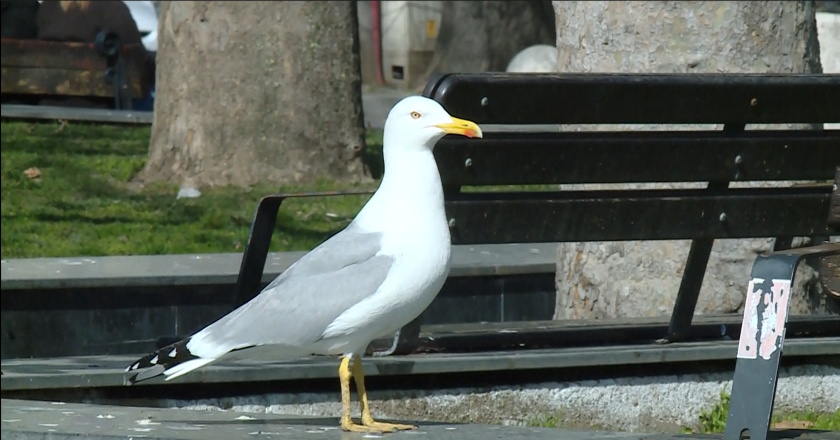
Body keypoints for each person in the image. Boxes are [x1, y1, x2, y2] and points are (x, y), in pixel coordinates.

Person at [36, 1, 154, 109]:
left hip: (49, 102)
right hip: (100, 104)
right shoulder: (112, 8)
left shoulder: (47, 7)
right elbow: (139, 61)